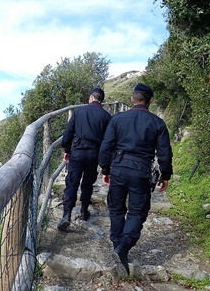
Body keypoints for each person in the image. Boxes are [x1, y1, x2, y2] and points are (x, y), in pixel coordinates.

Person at [98, 83, 173, 275]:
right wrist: (165, 175)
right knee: (138, 211)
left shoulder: (117, 119)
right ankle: (123, 246)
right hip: (141, 171)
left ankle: (117, 243)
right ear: (150, 101)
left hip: (119, 169)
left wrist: (105, 169)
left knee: (115, 208)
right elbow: (164, 152)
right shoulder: (158, 123)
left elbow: (106, 145)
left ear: (132, 99)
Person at [57, 87, 112, 231]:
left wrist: (67, 150)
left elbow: (68, 133)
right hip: (94, 154)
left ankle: (67, 214)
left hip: (78, 152)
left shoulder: (79, 111)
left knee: (72, 183)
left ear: (90, 98)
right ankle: (83, 211)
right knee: (87, 183)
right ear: (101, 100)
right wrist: (106, 166)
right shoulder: (107, 117)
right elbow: (108, 141)